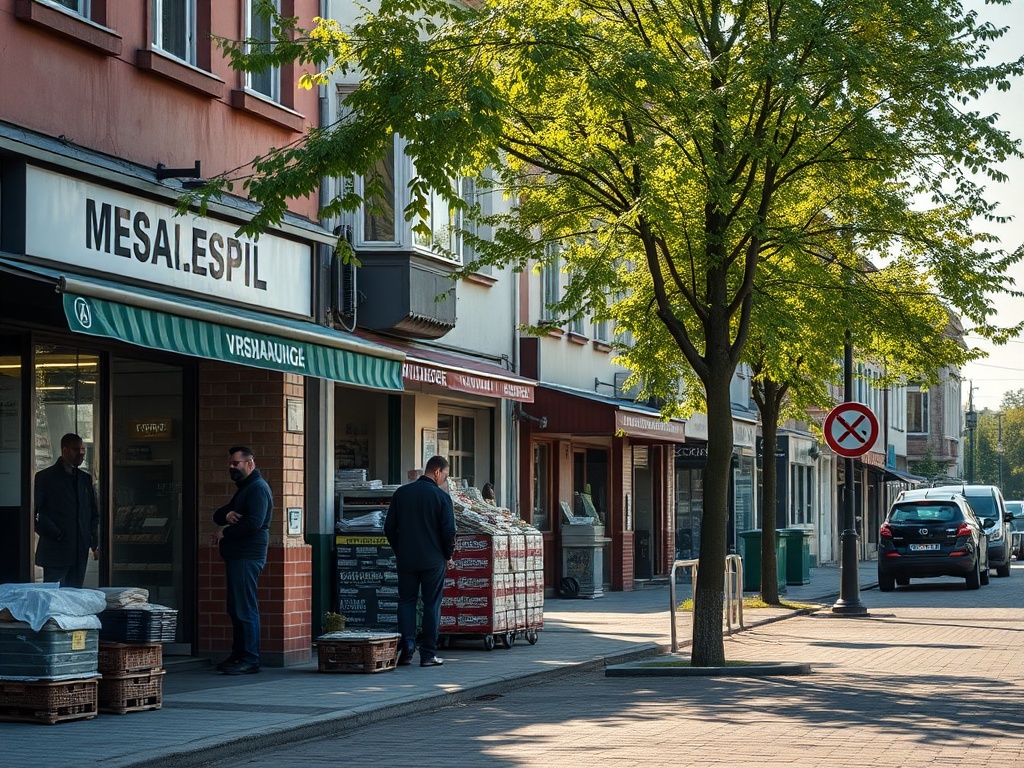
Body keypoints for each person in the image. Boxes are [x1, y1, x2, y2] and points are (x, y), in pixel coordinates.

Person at [384, 455, 457, 667]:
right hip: (433, 559)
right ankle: (428, 654)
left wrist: (399, 550)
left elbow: (389, 528)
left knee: (406, 600)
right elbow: (449, 531)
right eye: (445, 475)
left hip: (406, 558)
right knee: (431, 603)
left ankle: (407, 645)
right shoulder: (441, 497)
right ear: (437, 472)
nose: (444, 480)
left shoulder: (401, 493)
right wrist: (448, 554)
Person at [212, 446, 273, 675]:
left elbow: (254, 523)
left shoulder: (257, 489)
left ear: (249, 463)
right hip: (239, 556)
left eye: (236, 463)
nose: (231, 467)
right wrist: (227, 515)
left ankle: (249, 658)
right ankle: (239, 655)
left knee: (244, 608)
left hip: (247, 556)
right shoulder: (245, 489)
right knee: (236, 607)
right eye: (230, 463)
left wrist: (224, 533)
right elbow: (218, 514)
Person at [34, 433, 100, 589]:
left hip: (79, 550)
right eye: (76, 449)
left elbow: (93, 512)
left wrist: (93, 540)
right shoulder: (45, 477)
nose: (81, 453)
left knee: (75, 595)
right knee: (54, 595)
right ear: (65, 451)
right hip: (56, 551)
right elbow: (32, 513)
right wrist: (55, 534)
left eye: (82, 450)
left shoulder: (84, 479)